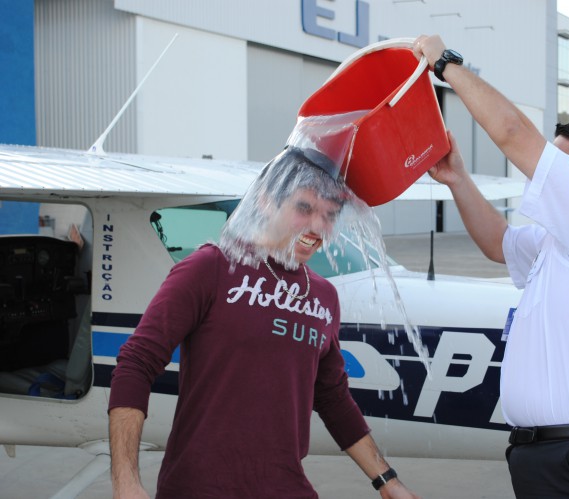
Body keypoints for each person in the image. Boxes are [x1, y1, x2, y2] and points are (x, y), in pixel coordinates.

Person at [414, 35, 569, 498]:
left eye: (559, 162)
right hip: (551, 459)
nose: (543, 171)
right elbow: (498, 243)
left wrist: (444, 63)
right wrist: (457, 178)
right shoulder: (564, 242)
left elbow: (513, 134)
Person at [108, 147, 419, 499]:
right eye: (304, 208)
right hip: (199, 488)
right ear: (267, 201)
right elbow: (136, 363)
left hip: (286, 487)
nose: (318, 227)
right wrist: (126, 482)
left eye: (330, 215)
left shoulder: (323, 296)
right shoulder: (210, 267)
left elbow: (332, 396)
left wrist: (387, 480)